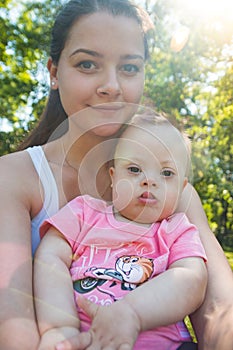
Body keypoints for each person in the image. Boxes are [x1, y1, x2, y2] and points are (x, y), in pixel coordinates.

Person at [0, 0, 232, 349]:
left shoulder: (171, 190)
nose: (111, 86)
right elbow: (12, 320)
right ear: (53, 72)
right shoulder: (14, 178)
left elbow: (220, 309)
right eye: (88, 64)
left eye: (128, 67)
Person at [34, 112, 208, 350]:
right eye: (135, 169)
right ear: (113, 177)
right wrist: (58, 326)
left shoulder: (176, 229)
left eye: (167, 173)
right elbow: (49, 257)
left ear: (182, 188)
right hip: (84, 338)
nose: (149, 180)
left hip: (161, 344)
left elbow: (192, 279)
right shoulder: (84, 212)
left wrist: (132, 312)